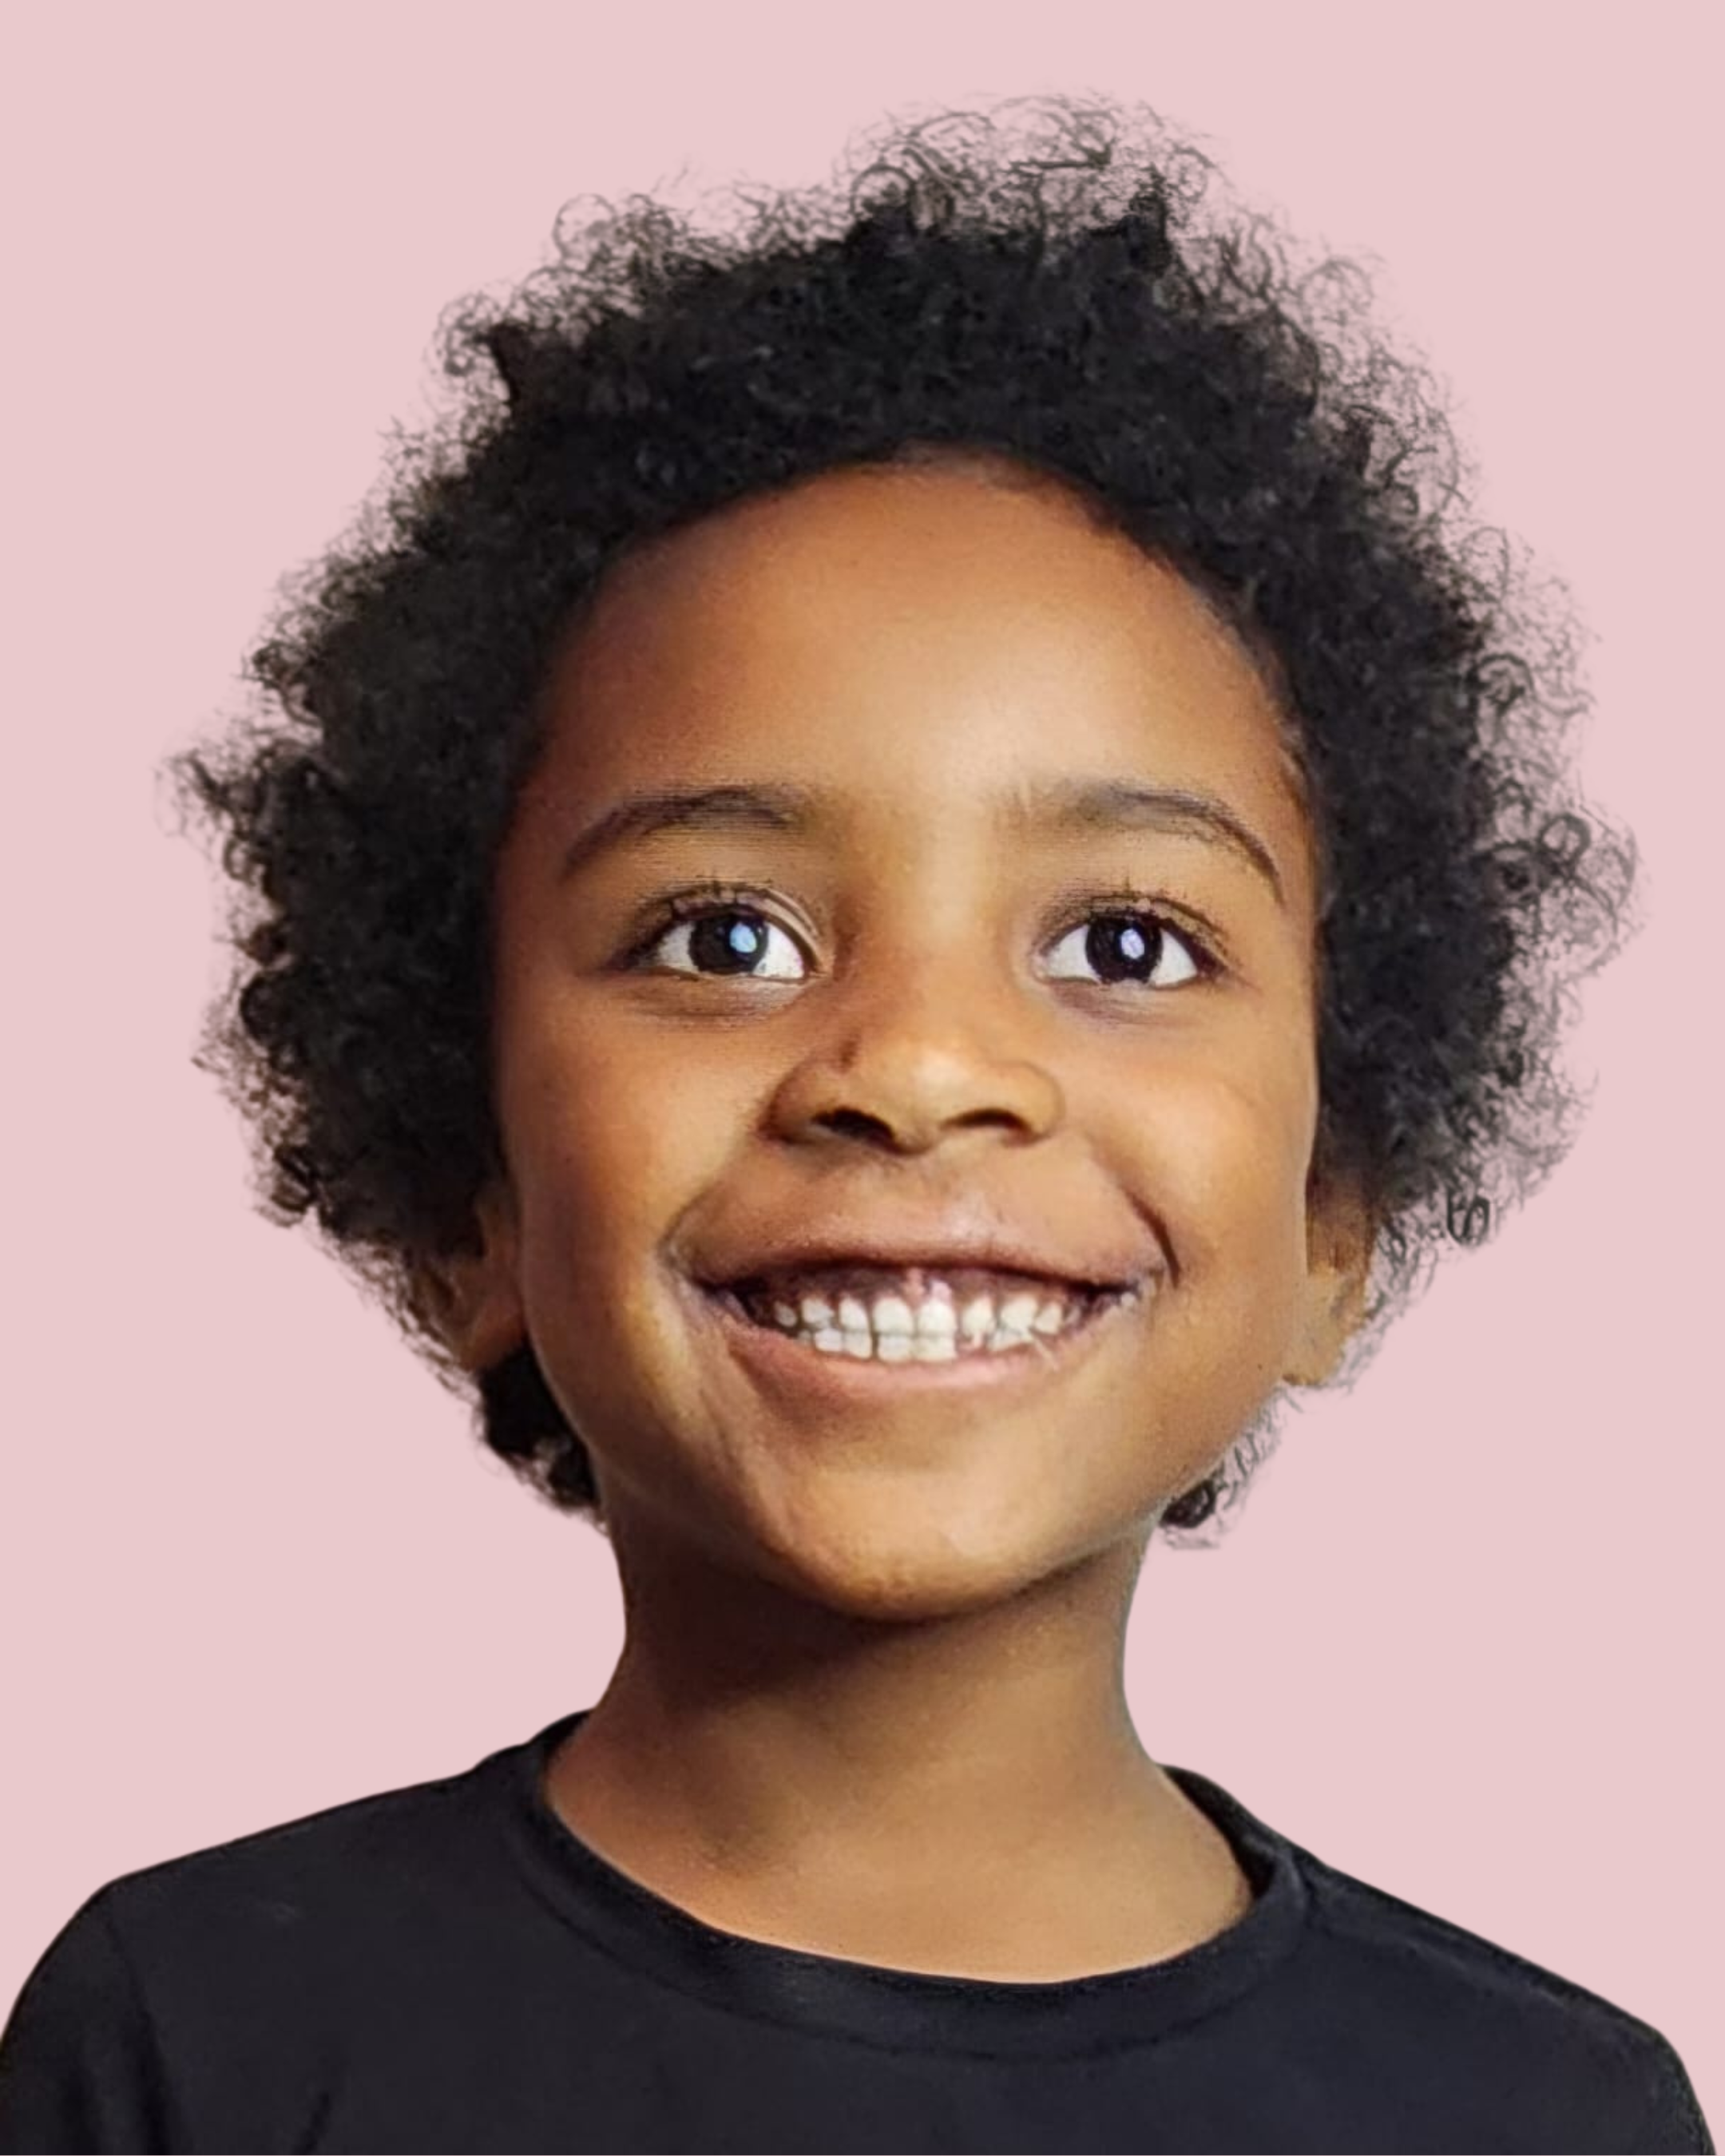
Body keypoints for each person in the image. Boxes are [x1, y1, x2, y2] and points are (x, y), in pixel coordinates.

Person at [0, 92, 1709, 2155]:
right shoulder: (201, 2038)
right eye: (723, 935)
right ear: (471, 1204)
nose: (914, 1064)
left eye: (1128, 942)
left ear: (1333, 1230)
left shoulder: (1547, 2115)